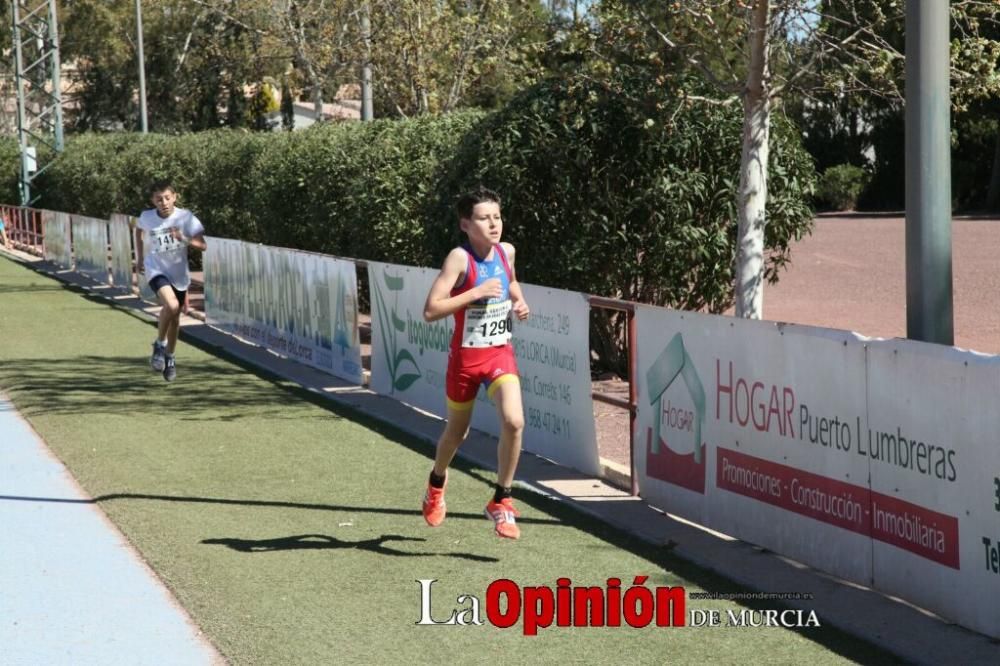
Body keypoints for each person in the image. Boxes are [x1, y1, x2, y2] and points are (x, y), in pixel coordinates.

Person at [420, 187, 531, 539]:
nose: (494, 224)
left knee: (514, 422)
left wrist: (520, 301)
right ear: (466, 224)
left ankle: (502, 500)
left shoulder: (506, 251)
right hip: (466, 360)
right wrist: (473, 294)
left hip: (499, 352)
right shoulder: (459, 258)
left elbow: (510, 281)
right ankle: (436, 483)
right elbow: (430, 310)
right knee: (458, 432)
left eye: (497, 216)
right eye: (484, 218)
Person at [135, 180, 206, 382]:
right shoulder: (147, 217)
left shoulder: (186, 217)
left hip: (179, 275)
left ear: (175, 197)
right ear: (153, 201)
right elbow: (138, 230)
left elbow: (203, 245)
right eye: (159, 199)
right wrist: (140, 257)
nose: (164, 202)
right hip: (155, 269)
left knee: (175, 318)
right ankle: (159, 344)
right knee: (172, 304)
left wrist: (183, 238)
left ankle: (170, 356)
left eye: (167, 198)